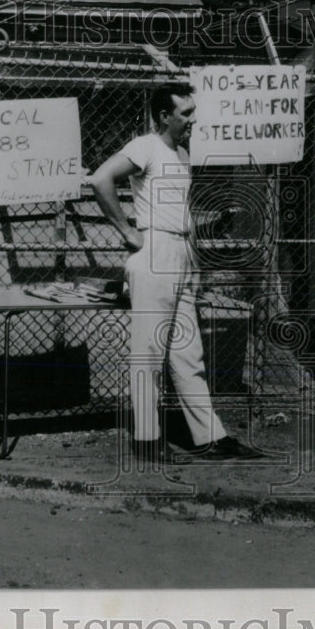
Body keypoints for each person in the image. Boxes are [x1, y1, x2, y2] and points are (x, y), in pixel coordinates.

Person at [90, 82, 260, 464]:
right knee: (148, 352)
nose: (192, 120)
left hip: (182, 252)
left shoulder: (182, 153)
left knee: (188, 351)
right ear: (164, 116)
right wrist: (126, 231)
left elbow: (180, 215)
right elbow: (100, 179)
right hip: (153, 252)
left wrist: (193, 262)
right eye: (185, 113)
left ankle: (209, 437)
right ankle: (147, 440)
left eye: (193, 112)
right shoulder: (144, 146)